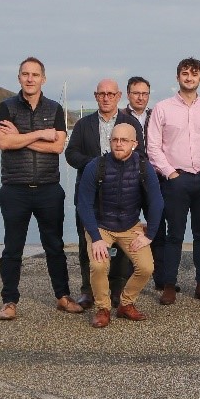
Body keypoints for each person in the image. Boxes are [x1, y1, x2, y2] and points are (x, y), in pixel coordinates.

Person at [0, 57, 81, 320]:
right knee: (12, 247)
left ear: (43, 78)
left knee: (54, 245)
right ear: (19, 77)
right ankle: (9, 301)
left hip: (48, 188)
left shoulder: (54, 109)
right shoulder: (6, 107)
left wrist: (19, 137)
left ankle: (62, 296)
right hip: (14, 188)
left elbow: (57, 147)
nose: (30, 79)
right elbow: (4, 144)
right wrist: (39, 134)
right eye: (25, 74)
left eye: (35, 74)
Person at [145, 57, 200, 305]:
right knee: (174, 235)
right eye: (184, 73)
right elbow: (153, 146)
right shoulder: (163, 108)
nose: (189, 78)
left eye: (193, 74)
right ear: (177, 77)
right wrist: (169, 173)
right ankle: (169, 285)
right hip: (175, 180)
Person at [65, 79, 144, 310]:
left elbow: (140, 153)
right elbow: (71, 154)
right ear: (95, 96)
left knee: (120, 242)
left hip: (122, 194)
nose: (106, 97)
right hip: (89, 192)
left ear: (119, 96)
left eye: (111, 94)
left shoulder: (130, 123)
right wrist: (97, 165)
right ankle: (88, 291)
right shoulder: (83, 124)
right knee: (87, 243)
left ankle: (117, 289)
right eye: (102, 94)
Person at [75, 124, 163, 328]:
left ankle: (126, 304)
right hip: (101, 226)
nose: (119, 144)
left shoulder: (143, 166)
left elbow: (157, 201)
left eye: (124, 140)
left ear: (134, 144)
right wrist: (96, 238)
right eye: (115, 140)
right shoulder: (96, 166)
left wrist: (149, 235)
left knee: (146, 267)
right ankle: (102, 308)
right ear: (110, 142)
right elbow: (84, 204)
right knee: (98, 265)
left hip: (130, 225)